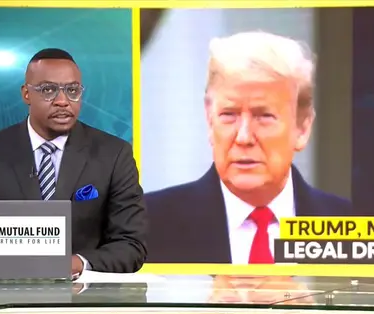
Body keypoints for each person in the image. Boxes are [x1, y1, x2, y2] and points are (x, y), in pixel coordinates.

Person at [144, 31, 351, 263]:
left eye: (264, 116)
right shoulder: (144, 225)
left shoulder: (353, 229)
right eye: (229, 115)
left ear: (302, 128)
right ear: (210, 121)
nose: (243, 137)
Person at [0, 48, 148, 275]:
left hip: (84, 293)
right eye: (48, 90)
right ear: (26, 94)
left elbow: (131, 246)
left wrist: (75, 263)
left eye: (72, 90)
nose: (63, 101)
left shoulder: (113, 154)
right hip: (8, 289)